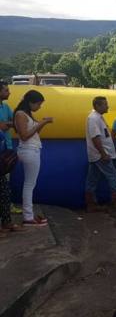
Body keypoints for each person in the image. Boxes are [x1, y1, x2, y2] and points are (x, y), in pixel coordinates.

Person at [85, 97, 116, 213]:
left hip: (98, 155)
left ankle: (91, 204)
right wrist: (103, 153)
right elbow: (95, 137)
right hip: (101, 155)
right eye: (105, 105)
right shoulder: (93, 119)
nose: (108, 107)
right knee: (114, 176)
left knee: (92, 179)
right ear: (98, 106)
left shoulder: (98, 117)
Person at [14, 90, 53, 225]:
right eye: (38, 104)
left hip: (32, 150)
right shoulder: (20, 114)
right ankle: (28, 216)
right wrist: (42, 123)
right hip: (29, 150)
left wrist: (41, 124)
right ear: (31, 102)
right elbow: (24, 136)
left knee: (30, 184)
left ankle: (29, 214)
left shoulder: (25, 114)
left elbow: (34, 133)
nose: (39, 107)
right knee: (29, 185)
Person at [0, 81, 21, 217]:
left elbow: (14, 122)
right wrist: (6, 124)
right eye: (6, 90)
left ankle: (7, 208)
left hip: (6, 148)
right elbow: (3, 126)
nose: (9, 92)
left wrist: (7, 124)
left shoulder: (5, 107)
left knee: (6, 181)